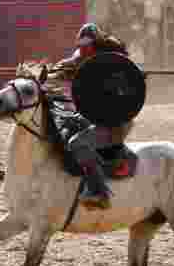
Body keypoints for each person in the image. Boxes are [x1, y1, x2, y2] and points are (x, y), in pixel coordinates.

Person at [46, 23, 131, 210]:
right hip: (90, 118)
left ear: (96, 44)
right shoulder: (80, 59)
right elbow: (63, 69)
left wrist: (132, 76)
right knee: (57, 132)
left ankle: (99, 192)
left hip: (113, 123)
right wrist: (47, 74)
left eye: (87, 45)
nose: (83, 49)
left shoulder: (113, 63)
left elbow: (122, 95)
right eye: (81, 45)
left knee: (77, 143)